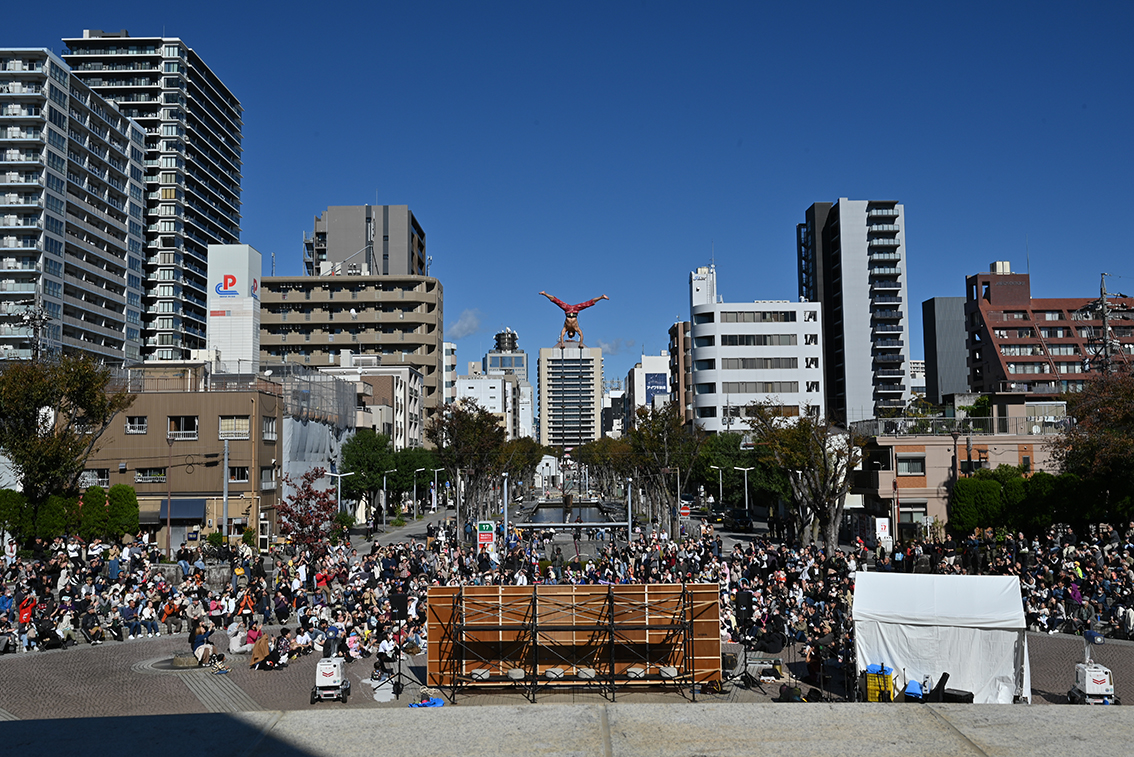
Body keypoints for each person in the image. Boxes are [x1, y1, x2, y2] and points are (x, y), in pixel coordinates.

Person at [538, 291, 609, 347]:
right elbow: (581, 335)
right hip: (575, 310)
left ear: (568, 334)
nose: (571, 335)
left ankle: (602, 297)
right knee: (588, 303)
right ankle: (602, 297)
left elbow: (562, 335)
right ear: (574, 334)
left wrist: (562, 344)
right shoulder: (576, 328)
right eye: (572, 335)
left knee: (557, 301)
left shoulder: (565, 328)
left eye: (570, 335)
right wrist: (580, 344)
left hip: (568, 310)